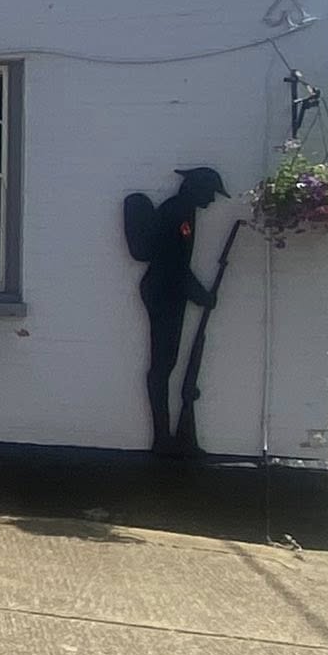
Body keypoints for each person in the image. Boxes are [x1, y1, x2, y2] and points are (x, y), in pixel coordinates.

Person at [133, 167, 229, 456]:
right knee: (162, 366)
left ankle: (168, 437)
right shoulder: (178, 213)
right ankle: (162, 438)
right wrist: (201, 295)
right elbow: (174, 264)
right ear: (196, 188)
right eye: (209, 193)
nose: (211, 200)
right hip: (164, 292)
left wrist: (198, 295)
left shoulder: (183, 211)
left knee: (167, 364)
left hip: (168, 290)